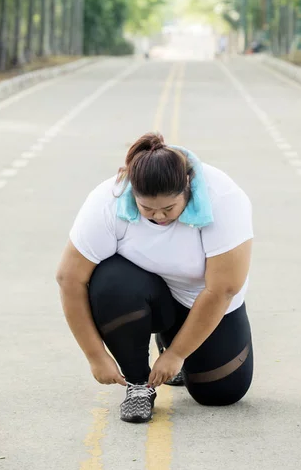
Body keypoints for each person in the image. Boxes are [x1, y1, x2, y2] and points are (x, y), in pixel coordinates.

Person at [56, 133, 254, 424]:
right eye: (147, 209)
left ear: (187, 187)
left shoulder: (223, 198)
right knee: (110, 281)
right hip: (149, 295)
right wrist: (95, 356)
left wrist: (176, 354)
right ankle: (139, 386)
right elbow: (69, 279)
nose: (158, 217)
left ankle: (171, 343)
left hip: (205, 301)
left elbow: (222, 289)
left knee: (222, 394)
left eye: (169, 209)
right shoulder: (107, 200)